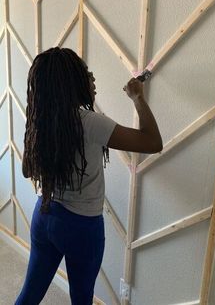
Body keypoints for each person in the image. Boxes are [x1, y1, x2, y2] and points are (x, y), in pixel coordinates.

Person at [15, 47, 163, 305]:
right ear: (72, 83)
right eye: (87, 75)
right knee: (82, 299)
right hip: (81, 227)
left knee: (29, 296)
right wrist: (137, 97)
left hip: (45, 215)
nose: (93, 80)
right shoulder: (91, 122)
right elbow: (152, 142)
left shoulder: (41, 120)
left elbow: (28, 170)